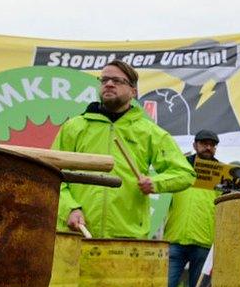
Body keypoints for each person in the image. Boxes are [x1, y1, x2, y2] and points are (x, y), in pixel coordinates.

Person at [51, 60, 195, 238]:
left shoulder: (150, 133)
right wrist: (69, 208)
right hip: (75, 234)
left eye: (117, 81)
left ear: (133, 91)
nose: (109, 84)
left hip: (125, 239)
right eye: (104, 80)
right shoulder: (73, 127)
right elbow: (52, 173)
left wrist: (155, 183)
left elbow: (185, 174)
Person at [164, 129, 219, 287]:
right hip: (175, 240)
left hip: (204, 243)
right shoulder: (180, 169)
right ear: (195, 145)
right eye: (204, 144)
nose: (208, 148)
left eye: (212, 144)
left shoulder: (222, 174)